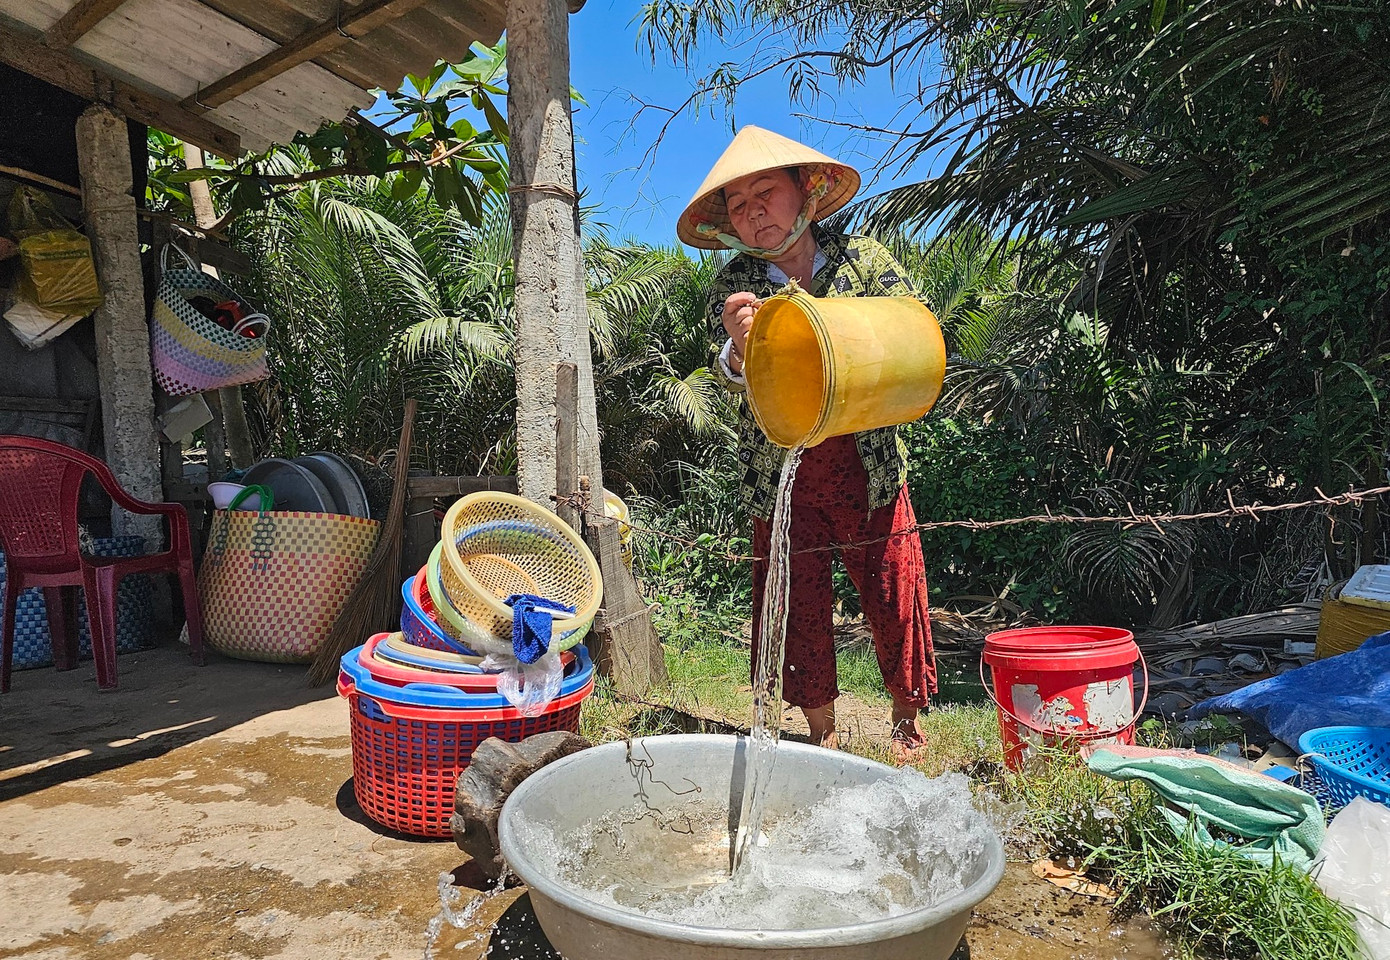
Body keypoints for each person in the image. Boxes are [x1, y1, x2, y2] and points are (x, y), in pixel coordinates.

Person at [677, 125, 938, 763]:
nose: (753, 211)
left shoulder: (866, 263)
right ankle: (821, 731)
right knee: (796, 597)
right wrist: (743, 345)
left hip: (867, 460)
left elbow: (913, 334)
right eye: (738, 206)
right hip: (783, 467)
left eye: (765, 192)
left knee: (891, 587)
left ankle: (907, 724)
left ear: (807, 192)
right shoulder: (736, 285)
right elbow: (730, 373)